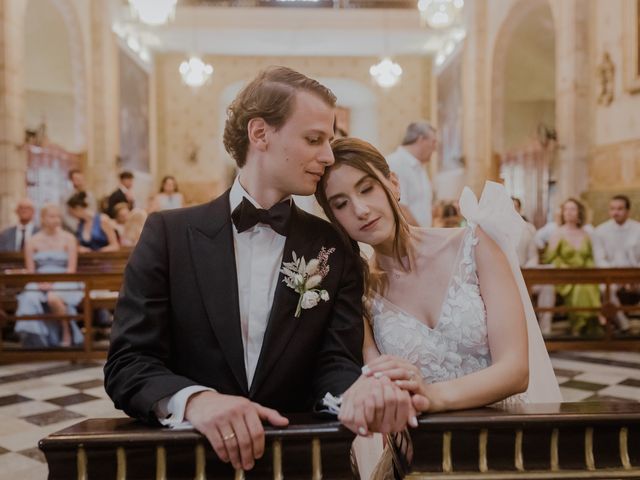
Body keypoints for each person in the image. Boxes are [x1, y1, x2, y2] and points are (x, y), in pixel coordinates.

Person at [104, 66, 415, 473]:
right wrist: (196, 400)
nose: (327, 155)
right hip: (193, 461)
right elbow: (128, 362)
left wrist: (357, 393)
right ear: (260, 134)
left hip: (305, 461)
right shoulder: (169, 234)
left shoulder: (333, 245)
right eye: (314, 139)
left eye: (329, 141)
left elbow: (335, 362)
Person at [315, 138, 560, 476]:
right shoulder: (358, 291)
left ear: (393, 182)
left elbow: (516, 370)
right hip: (422, 457)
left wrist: (431, 395)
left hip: (503, 447)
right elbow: (376, 374)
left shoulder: (474, 245)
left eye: (367, 188)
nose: (360, 210)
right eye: (341, 204)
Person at [13, 204, 84, 348]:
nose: (56, 220)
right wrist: (40, 282)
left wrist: (54, 283)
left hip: (65, 278)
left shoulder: (69, 238)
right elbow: (31, 270)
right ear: (43, 219)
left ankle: (66, 330)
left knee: (53, 297)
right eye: (52, 216)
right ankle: (36, 338)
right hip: (39, 279)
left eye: (58, 216)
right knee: (30, 297)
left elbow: (71, 268)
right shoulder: (32, 241)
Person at [543, 198, 602, 336]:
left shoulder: (586, 234)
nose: (569, 212)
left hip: (585, 274)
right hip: (564, 275)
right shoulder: (557, 233)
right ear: (562, 213)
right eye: (566, 209)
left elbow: (590, 257)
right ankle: (578, 324)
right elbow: (550, 258)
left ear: (579, 212)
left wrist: (587, 271)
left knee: (588, 286)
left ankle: (588, 324)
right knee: (579, 288)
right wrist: (564, 267)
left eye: (573, 209)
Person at [593, 195, 640, 332]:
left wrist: (632, 278)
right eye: (613, 209)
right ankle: (624, 325)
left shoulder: (638, 229)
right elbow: (599, 259)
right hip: (610, 277)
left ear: (627, 211)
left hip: (636, 275)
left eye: (620, 209)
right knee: (605, 290)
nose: (616, 212)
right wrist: (616, 277)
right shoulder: (600, 231)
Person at [386, 121, 437, 227]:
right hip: (411, 238)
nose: (435, 148)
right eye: (433, 142)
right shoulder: (395, 163)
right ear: (421, 140)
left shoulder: (419, 167)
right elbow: (400, 206)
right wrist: (422, 236)